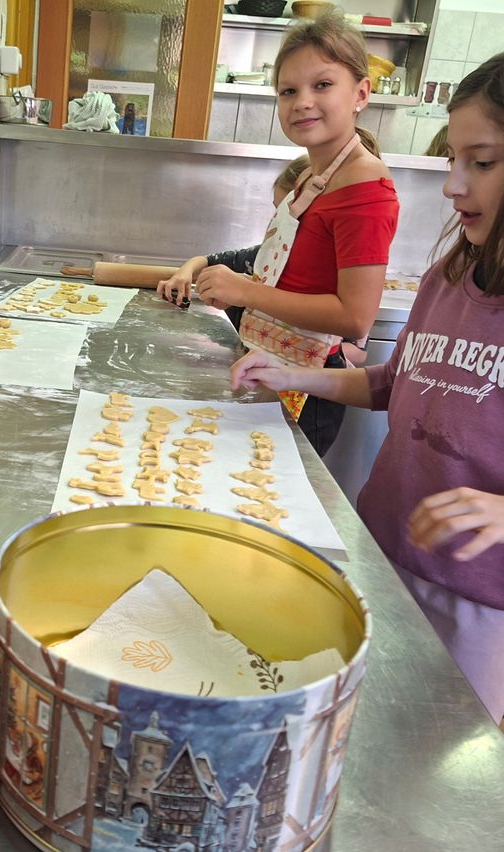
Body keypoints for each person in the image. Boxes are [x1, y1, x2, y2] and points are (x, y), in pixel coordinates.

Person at [229, 52, 504, 726]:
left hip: (481, 604)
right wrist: (294, 376)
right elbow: (394, 382)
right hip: (386, 556)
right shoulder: (450, 275)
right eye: (451, 162)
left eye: (483, 162)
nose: (452, 185)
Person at [160, 13, 399, 455]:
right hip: (266, 365)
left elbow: (354, 318)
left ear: (361, 93)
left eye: (322, 85)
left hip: (305, 391)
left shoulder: (367, 188)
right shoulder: (313, 177)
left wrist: (247, 292)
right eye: (288, 91)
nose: (302, 101)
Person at [164, 151, 372, 368]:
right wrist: (194, 275)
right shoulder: (268, 256)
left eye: (290, 218)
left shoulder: (342, 277)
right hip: (266, 373)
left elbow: (356, 345)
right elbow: (210, 262)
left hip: (313, 384)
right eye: (277, 212)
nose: (278, 223)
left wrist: (247, 294)